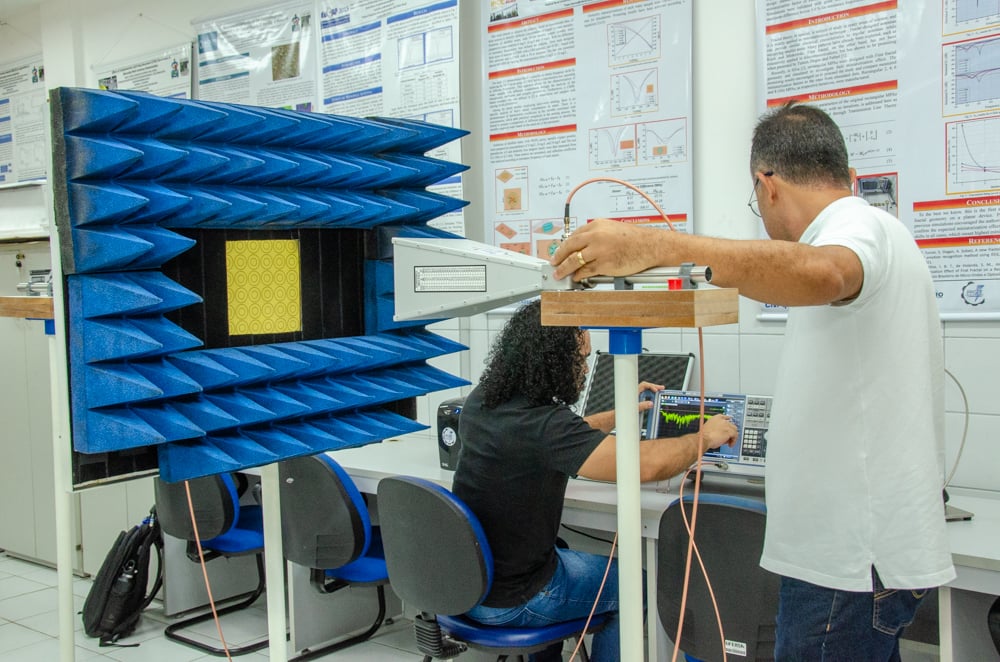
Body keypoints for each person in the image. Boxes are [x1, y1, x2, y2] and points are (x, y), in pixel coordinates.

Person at [550, 102, 956, 661]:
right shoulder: (875, 231)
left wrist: (663, 247)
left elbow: (827, 273)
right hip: (857, 558)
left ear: (766, 185)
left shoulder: (854, 228)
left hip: (847, 563)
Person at [452, 298, 736, 662]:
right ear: (551, 361)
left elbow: (570, 436)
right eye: (581, 359)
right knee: (636, 583)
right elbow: (643, 466)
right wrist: (705, 438)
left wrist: (620, 413)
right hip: (516, 599)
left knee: (566, 550)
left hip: (470, 587)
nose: (585, 369)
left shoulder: (483, 403)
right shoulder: (546, 427)